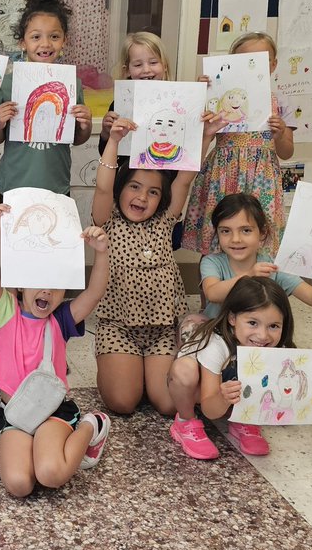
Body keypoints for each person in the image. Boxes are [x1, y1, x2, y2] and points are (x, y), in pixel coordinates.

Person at [91, 113, 222, 416]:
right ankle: (115, 367)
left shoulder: (164, 222)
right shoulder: (107, 220)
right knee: (123, 403)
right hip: (118, 327)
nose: (142, 197)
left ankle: (144, 372)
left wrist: (206, 137)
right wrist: (113, 140)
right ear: (120, 190)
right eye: (134, 187)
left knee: (166, 404)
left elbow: (185, 179)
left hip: (163, 329)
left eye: (153, 192)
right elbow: (101, 188)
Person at [0, 203, 112, 498]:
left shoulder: (60, 320)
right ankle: (15, 437)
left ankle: (92, 425)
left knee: (51, 474)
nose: (48, 292)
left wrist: (101, 252)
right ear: (21, 285)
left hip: (52, 409)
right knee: (19, 485)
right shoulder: (6, 312)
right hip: (13, 413)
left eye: (57, 286)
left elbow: (93, 294)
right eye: (39, 282)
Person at [167, 276, 312, 458]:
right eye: (253, 323)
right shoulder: (216, 346)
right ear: (232, 318)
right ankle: (185, 421)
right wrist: (222, 398)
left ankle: (243, 418)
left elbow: (289, 388)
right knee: (184, 370)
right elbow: (210, 410)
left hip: (229, 387)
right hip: (203, 388)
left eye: (273, 326)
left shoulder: (276, 348)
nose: (262, 336)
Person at [183, 31, 294, 257]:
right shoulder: (220, 95)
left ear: (272, 65)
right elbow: (196, 137)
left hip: (261, 179)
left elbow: (287, 152)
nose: (251, 67)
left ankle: (255, 291)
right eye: (244, 61)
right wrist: (199, 95)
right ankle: (212, 289)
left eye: (260, 61)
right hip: (223, 174)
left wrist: (281, 133)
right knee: (216, 241)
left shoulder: (280, 101)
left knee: (259, 243)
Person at [0, 0, 93, 197]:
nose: (45, 44)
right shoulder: (8, 83)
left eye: (54, 36)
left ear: (65, 40)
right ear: (22, 42)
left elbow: (77, 138)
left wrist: (85, 124)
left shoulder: (72, 84)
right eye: (36, 37)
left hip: (56, 185)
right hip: (14, 185)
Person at [98, 31, 173, 157]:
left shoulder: (174, 103)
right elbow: (104, 154)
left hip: (164, 173)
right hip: (126, 173)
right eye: (138, 65)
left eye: (153, 62)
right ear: (127, 70)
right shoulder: (119, 105)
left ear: (164, 66)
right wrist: (106, 133)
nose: (146, 70)